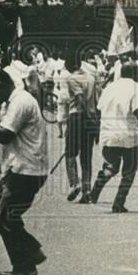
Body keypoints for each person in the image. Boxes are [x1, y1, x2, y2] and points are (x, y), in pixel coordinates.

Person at [0, 69, 48, 275]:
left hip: (27, 169)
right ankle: (28, 255)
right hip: (16, 167)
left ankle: (27, 261)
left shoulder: (19, 102)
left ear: (0, 84)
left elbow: (2, 134)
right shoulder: (12, 101)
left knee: (6, 216)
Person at [80, 63, 138, 212]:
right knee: (130, 169)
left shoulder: (110, 88)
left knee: (111, 167)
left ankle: (93, 195)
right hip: (127, 135)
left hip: (108, 135)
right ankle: (118, 203)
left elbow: (99, 110)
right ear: (135, 74)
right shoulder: (136, 88)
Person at [62, 54, 98, 203]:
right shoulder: (91, 78)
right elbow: (95, 100)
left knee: (70, 153)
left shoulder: (71, 78)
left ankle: (74, 183)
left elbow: (79, 97)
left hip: (77, 116)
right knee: (86, 156)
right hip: (91, 117)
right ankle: (87, 190)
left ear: (70, 66)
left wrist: (85, 115)